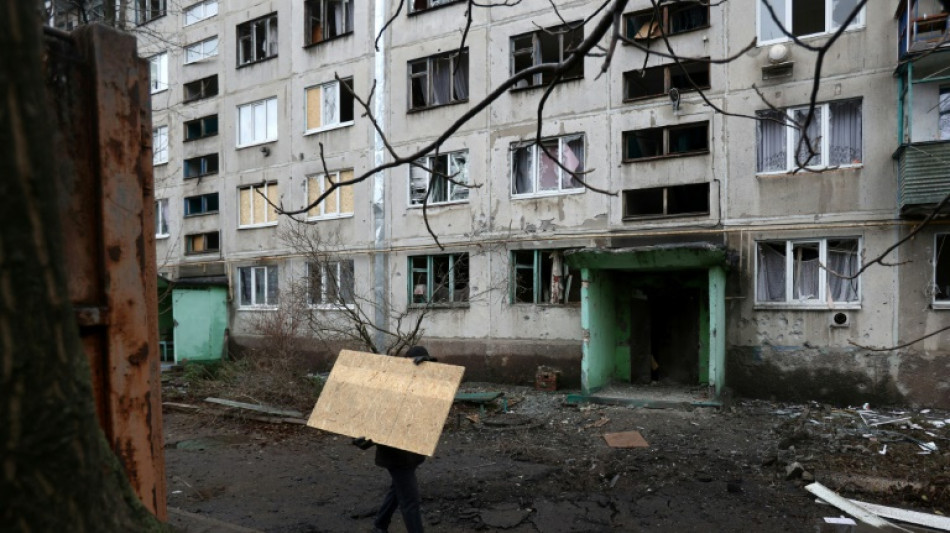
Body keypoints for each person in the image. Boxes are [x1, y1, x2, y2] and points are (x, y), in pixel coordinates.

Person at [352, 346, 437, 533]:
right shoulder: (393, 386)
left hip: (412, 453)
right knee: (410, 501)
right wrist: (365, 437)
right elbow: (380, 417)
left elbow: (447, 378)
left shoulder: (423, 385)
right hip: (396, 456)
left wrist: (431, 362)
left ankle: (380, 525)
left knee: (397, 491)